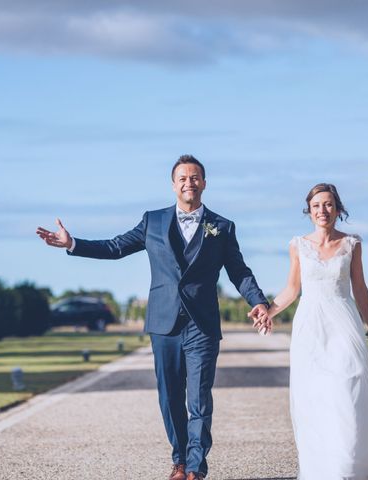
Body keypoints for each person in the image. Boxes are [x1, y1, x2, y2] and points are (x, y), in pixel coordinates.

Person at [36, 155, 270, 480]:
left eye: (195, 177)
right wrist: (73, 243)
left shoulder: (222, 227)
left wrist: (257, 301)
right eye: (183, 178)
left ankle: (195, 468)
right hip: (164, 325)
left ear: (204, 182)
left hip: (202, 325)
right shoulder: (153, 221)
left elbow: (239, 271)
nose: (189, 182)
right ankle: (179, 459)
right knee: (170, 396)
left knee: (199, 398)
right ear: (174, 185)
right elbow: (115, 247)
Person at [256, 183, 368, 479]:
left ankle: (351, 462)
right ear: (309, 211)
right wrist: (268, 310)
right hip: (310, 326)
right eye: (316, 205)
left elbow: (360, 288)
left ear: (338, 209)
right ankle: (325, 466)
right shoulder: (298, 245)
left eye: (328, 205)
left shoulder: (352, 244)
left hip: (344, 324)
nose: (322, 211)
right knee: (315, 395)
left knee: (348, 388)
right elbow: (292, 290)